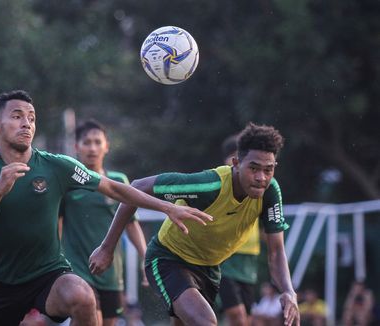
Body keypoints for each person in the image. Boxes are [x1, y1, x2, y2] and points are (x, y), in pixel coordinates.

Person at [0, 90, 211, 326]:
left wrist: (166, 207)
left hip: (49, 274)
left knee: (83, 297)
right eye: (17, 116)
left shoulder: (56, 166)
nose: (27, 123)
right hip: (2, 282)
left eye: (32, 118)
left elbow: (114, 188)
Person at [89, 122, 300, 326]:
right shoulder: (210, 185)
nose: (261, 177)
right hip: (168, 258)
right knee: (205, 321)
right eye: (253, 168)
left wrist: (288, 291)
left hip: (209, 268)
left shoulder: (270, 191)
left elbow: (276, 251)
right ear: (236, 163)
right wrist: (107, 248)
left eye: (268, 170)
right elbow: (137, 186)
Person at [58, 119, 147, 326]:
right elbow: (57, 224)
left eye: (98, 142)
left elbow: (131, 224)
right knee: (90, 319)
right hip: (78, 269)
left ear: (106, 146)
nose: (92, 148)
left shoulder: (118, 181)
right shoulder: (67, 184)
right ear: (76, 147)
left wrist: (145, 258)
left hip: (111, 275)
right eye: (87, 142)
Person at [218, 134, 261, 326]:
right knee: (237, 315)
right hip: (226, 256)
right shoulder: (222, 181)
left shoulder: (258, 185)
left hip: (249, 258)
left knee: (247, 319)